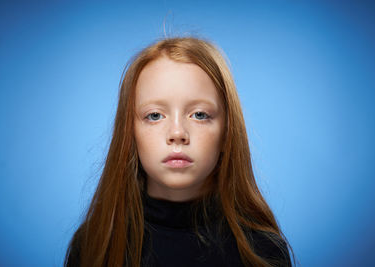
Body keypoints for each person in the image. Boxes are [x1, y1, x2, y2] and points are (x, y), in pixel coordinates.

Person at [64, 36, 294, 267]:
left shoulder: (263, 251)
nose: (177, 133)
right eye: (154, 116)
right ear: (130, 133)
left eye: (199, 115)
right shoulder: (94, 246)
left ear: (227, 132)